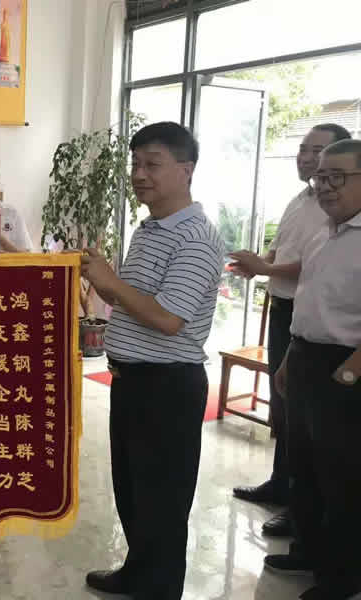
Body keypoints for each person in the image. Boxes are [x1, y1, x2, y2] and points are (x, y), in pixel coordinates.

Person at [82, 122, 224, 599]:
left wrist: (111, 282)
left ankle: (159, 589)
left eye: (153, 165)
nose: (139, 174)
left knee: (162, 501)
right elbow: (128, 300)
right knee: (133, 490)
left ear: (186, 170)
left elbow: (167, 318)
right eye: (136, 164)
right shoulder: (149, 229)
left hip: (168, 388)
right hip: (132, 382)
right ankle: (137, 572)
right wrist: (99, 277)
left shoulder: (197, 238)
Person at [229, 124, 352, 538]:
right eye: (303, 150)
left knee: (318, 433)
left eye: (318, 153)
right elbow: (282, 252)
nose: (307, 159)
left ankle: (305, 514)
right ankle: (285, 488)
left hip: (326, 336)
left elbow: (306, 268)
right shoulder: (303, 203)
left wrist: (266, 268)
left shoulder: (335, 214)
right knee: (287, 413)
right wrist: (260, 265)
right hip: (291, 321)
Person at [263, 139, 361, 600]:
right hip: (304, 356)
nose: (324, 186)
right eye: (321, 176)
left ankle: (341, 578)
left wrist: (349, 374)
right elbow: (309, 305)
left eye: (337, 176)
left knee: (342, 478)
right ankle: (308, 551)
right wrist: (288, 360)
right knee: (304, 466)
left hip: (345, 366)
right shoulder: (325, 232)